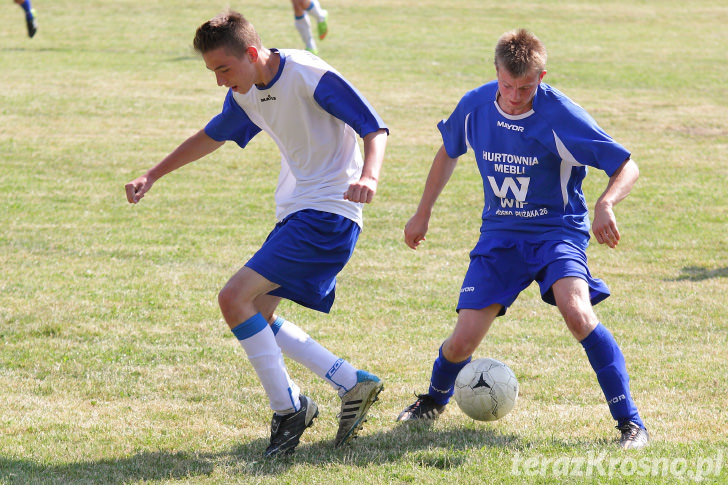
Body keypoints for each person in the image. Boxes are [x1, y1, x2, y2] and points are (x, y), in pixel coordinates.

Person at [125, 10, 388, 458]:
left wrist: (370, 177)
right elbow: (212, 134)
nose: (218, 81)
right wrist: (154, 174)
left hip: (329, 212)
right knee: (257, 315)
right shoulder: (246, 92)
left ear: (251, 53)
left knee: (233, 299)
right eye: (212, 72)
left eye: (223, 69)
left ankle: (289, 410)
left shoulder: (309, 73)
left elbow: (373, 126)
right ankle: (351, 381)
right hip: (298, 212)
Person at [398, 29, 648, 450]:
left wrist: (606, 204)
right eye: (508, 86)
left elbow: (627, 165)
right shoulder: (475, 105)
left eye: (526, 88)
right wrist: (423, 212)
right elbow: (448, 151)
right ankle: (433, 399)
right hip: (500, 236)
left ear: (541, 76)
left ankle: (631, 423)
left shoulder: (561, 114)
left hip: (557, 232)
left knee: (577, 312)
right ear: (496, 73)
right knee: (462, 341)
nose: (515, 97)